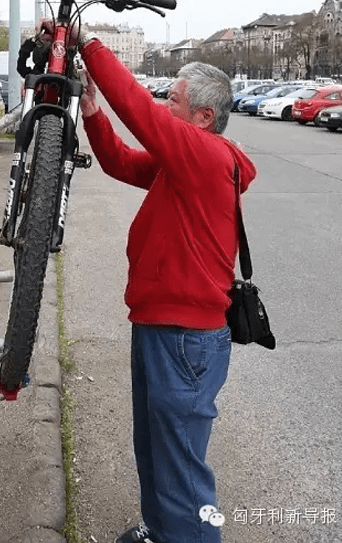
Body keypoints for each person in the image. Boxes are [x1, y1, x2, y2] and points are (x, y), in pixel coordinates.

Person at [62, 27, 257, 543]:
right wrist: (93, 114)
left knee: (184, 475)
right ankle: (161, 532)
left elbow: (141, 116)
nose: (161, 103)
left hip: (185, 341)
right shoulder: (182, 163)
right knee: (153, 451)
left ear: (203, 117)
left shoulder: (205, 156)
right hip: (159, 329)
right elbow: (121, 163)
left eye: (172, 98)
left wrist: (89, 44)